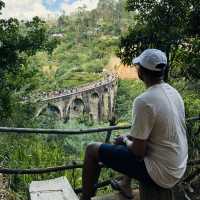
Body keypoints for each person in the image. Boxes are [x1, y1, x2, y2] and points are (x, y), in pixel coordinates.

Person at [80, 49, 188, 200]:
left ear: (141, 72)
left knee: (92, 149)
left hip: (161, 173)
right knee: (129, 139)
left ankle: (85, 198)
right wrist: (128, 137)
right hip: (178, 166)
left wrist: (125, 140)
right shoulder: (173, 92)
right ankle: (125, 184)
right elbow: (155, 132)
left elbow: (138, 152)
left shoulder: (144, 101)